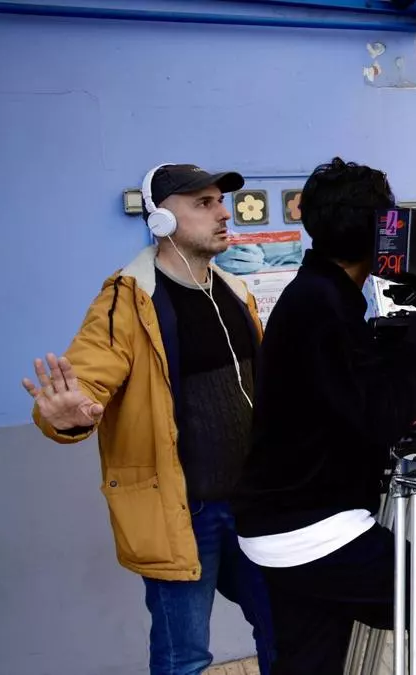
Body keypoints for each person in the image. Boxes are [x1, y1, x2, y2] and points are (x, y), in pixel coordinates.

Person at [21, 163, 276, 675]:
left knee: (285, 632)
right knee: (184, 659)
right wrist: (68, 416)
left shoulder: (235, 292)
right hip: (184, 513)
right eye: (203, 203)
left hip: (253, 506)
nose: (223, 213)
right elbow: (86, 383)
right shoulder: (126, 300)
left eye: (220, 202)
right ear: (160, 219)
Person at [230, 157, 416, 675]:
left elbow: (352, 391)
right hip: (310, 528)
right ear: (376, 234)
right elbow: (380, 416)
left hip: (278, 524)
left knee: (312, 661)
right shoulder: (322, 308)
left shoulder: (317, 296)